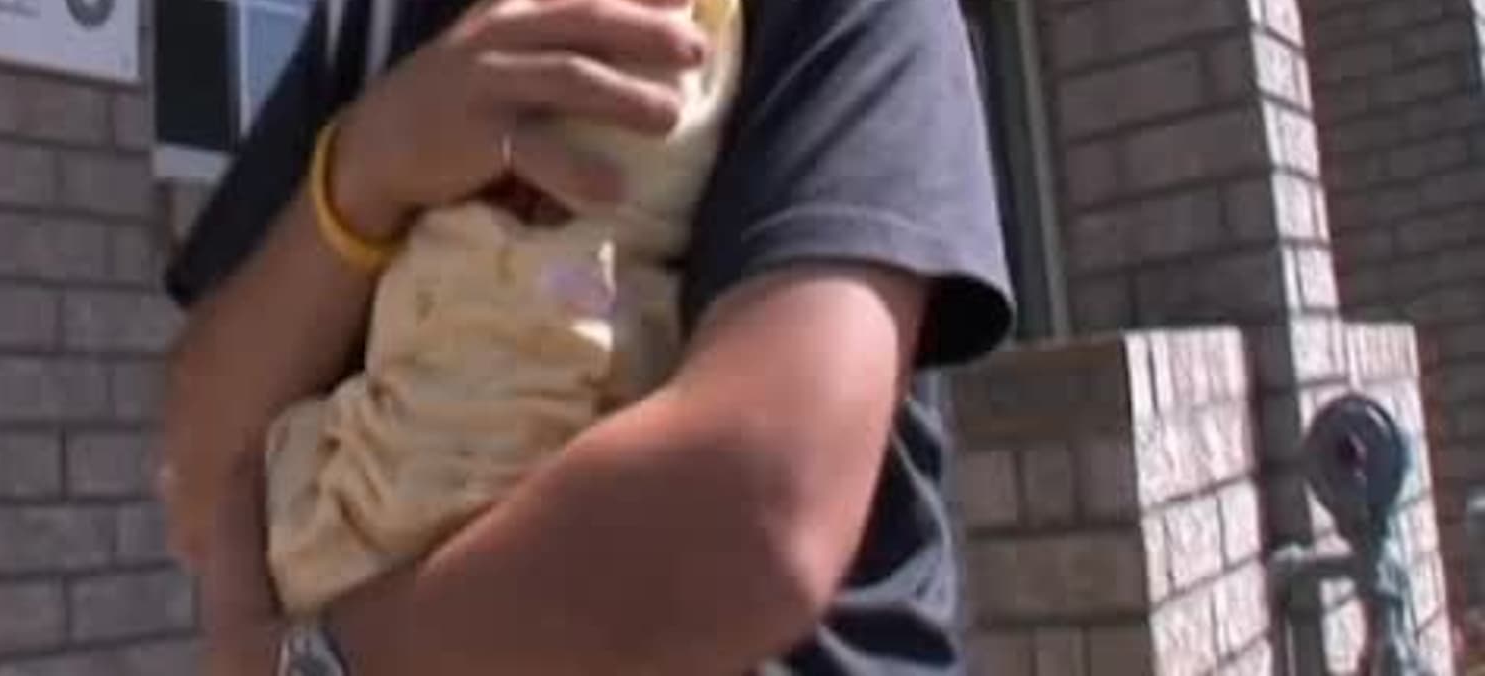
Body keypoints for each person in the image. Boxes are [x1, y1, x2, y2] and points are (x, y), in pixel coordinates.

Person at [159, 0, 1015, 673]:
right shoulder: (377, 21)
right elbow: (202, 476)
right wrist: (363, 171)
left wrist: (318, 664)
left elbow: (756, 516)